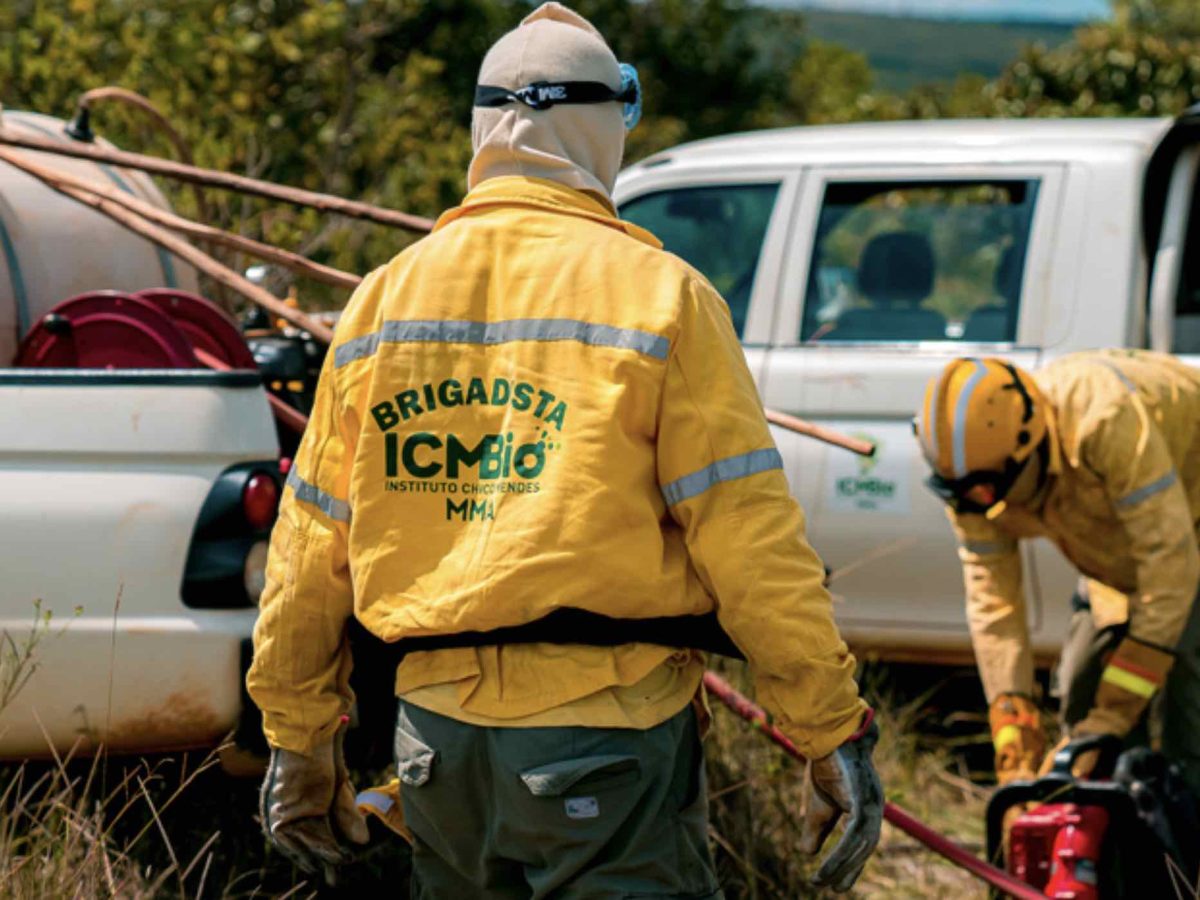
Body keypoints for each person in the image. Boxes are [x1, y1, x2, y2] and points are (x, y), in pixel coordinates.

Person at [248, 4, 882, 895]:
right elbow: (750, 543)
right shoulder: (664, 298)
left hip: (435, 752)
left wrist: (298, 742)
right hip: (607, 747)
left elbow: (310, 548)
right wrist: (829, 730)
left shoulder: (381, 301)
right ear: (600, 126)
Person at [914, 350, 1200, 793]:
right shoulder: (970, 480)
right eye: (969, 494)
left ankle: (1184, 849)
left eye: (993, 488)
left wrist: (1116, 712)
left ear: (1031, 443)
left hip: (1185, 538)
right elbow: (995, 607)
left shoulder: (1103, 420)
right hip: (1122, 556)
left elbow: (1170, 565)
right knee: (1082, 696)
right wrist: (1015, 742)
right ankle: (1115, 845)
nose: (985, 503)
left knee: (1189, 710)